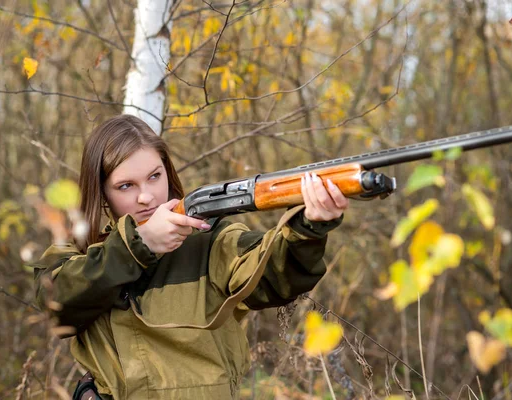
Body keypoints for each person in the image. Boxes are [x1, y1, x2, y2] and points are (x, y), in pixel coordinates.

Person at [32, 114, 349, 400]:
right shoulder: (81, 253)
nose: (147, 196)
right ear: (102, 192)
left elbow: (276, 278)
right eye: (126, 185)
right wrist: (137, 246)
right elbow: (56, 305)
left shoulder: (209, 240)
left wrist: (309, 228)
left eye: (155, 176)